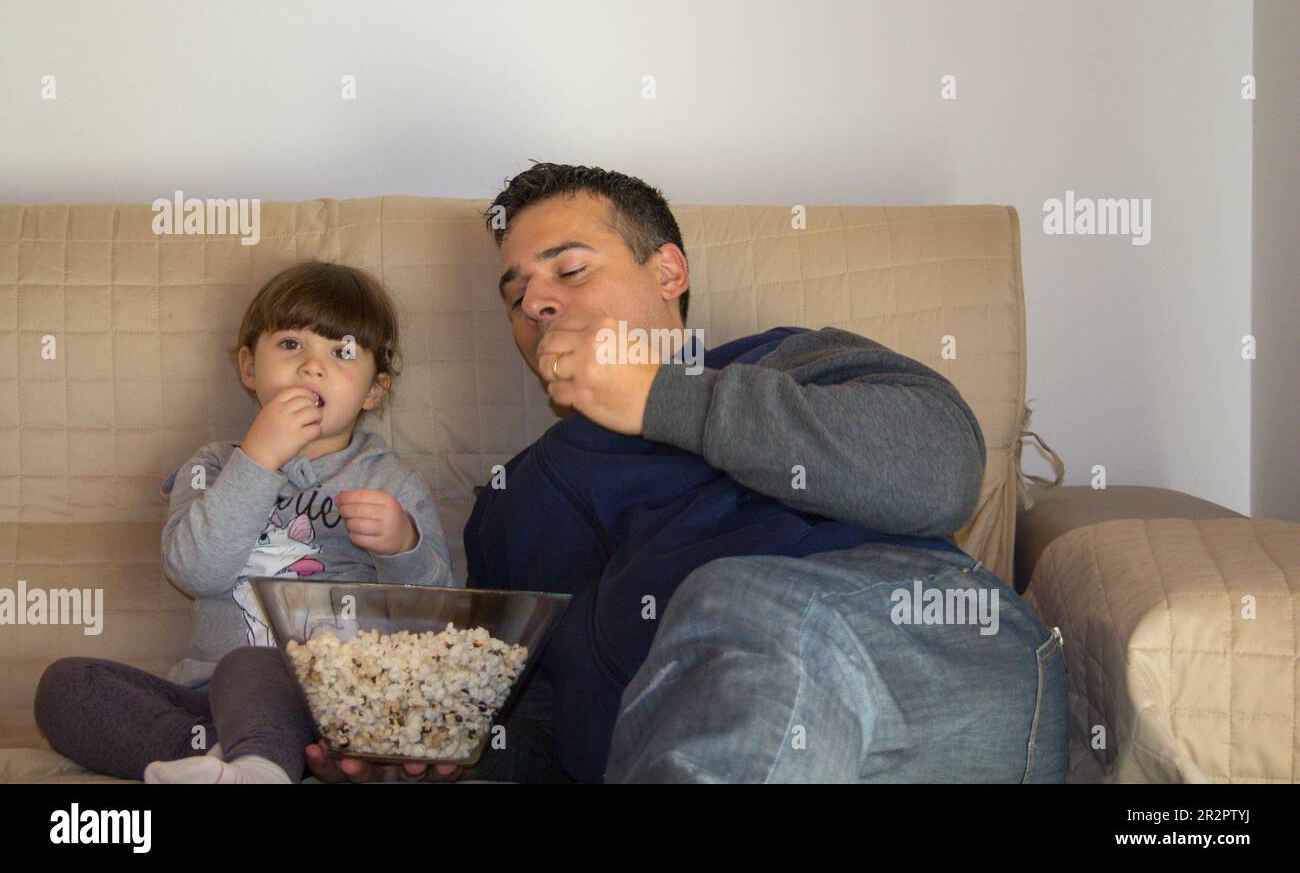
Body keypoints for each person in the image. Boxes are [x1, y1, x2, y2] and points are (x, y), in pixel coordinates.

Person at [311, 162, 1068, 785]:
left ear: (668, 270)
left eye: (569, 269)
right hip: (709, 759)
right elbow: (546, 726)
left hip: (931, 671)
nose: (537, 301)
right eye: (515, 296)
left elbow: (941, 475)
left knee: (737, 598)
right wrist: (453, 755)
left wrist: (660, 395)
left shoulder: (787, 362)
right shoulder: (514, 507)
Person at [34, 261, 453, 783]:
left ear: (374, 390)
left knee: (253, 661)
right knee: (65, 684)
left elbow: (437, 619)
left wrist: (402, 546)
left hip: (329, 704)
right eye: (291, 345)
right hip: (207, 700)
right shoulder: (211, 466)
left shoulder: (389, 479)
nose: (312, 367)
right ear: (248, 367)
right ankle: (227, 760)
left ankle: (258, 765)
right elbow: (196, 573)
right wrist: (257, 461)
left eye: (342, 352)